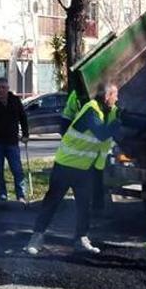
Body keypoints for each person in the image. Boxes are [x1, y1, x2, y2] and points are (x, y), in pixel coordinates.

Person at [25, 81, 121, 256]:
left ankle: (81, 238)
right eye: (115, 95)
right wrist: (119, 122)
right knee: (52, 202)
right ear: (107, 96)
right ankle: (37, 237)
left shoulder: (109, 112)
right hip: (66, 165)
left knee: (84, 205)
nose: (118, 98)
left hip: (84, 168)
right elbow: (101, 133)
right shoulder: (91, 110)